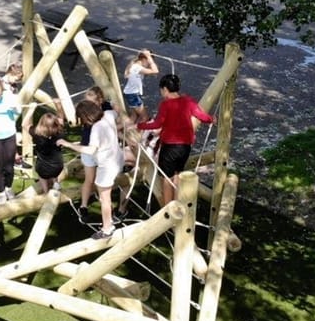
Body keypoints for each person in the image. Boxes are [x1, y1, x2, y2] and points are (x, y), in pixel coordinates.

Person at [136, 73, 214, 208]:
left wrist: (140, 126)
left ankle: (169, 210)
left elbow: (157, 124)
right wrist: (212, 119)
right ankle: (177, 205)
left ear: (165, 89)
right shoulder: (188, 101)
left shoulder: (166, 104)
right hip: (185, 147)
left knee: (166, 178)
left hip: (170, 147)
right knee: (177, 175)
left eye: (161, 90)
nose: (161, 93)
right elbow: (201, 115)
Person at [59, 100, 124, 239]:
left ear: (85, 116)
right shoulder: (108, 114)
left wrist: (68, 144)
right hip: (117, 159)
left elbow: (90, 150)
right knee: (106, 195)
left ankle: (107, 228)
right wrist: (113, 102)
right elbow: (117, 111)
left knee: (104, 199)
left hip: (106, 167)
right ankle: (110, 220)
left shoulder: (96, 128)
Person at [74, 87, 115, 224]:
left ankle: (106, 206)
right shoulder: (86, 111)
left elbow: (115, 120)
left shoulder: (107, 109)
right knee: (90, 179)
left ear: (100, 100)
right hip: (88, 148)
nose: (88, 105)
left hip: (102, 150)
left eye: (91, 102)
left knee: (102, 181)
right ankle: (83, 206)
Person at [22, 100, 65, 193]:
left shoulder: (36, 134)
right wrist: (58, 105)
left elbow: (24, 124)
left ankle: (46, 192)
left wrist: (31, 109)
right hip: (58, 166)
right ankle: (55, 183)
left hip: (43, 169)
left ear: (41, 123)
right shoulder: (59, 132)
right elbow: (61, 118)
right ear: (55, 124)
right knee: (53, 169)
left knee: (42, 175)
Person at [122, 49, 159, 123]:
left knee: (134, 116)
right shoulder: (137, 68)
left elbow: (126, 75)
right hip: (133, 95)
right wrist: (149, 57)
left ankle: (125, 129)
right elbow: (155, 71)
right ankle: (135, 130)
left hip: (129, 93)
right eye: (148, 62)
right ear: (144, 59)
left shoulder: (134, 65)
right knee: (145, 117)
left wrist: (148, 57)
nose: (149, 65)